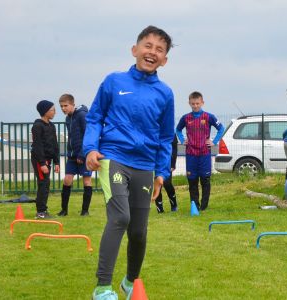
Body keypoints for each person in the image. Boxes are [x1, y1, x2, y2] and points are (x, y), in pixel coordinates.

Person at [84, 26, 175, 300]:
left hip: (145, 166)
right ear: (135, 50)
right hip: (114, 158)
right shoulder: (113, 82)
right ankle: (102, 287)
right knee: (121, 217)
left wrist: (161, 172)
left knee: (138, 230)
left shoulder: (165, 94)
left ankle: (129, 282)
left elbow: (166, 136)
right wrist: (90, 148)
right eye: (148, 46)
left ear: (164, 60)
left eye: (159, 50)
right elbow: (94, 117)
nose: (152, 52)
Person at [175, 91, 224, 212]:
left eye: (197, 103)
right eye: (193, 104)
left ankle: (204, 206)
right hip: (191, 154)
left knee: (205, 180)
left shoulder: (209, 117)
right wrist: (182, 140)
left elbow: (221, 128)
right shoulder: (186, 118)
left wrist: (214, 141)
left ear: (202, 103)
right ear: (189, 103)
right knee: (192, 181)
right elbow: (178, 129)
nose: (195, 106)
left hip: (204, 154)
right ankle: (194, 205)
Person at [57, 93, 93, 216]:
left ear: (73, 104)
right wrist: (70, 152)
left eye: (65, 105)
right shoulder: (67, 119)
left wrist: (82, 154)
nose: (63, 108)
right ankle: (64, 210)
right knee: (67, 180)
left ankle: (85, 211)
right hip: (72, 156)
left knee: (87, 181)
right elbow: (72, 138)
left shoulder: (82, 115)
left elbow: (87, 135)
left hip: (83, 155)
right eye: (61, 106)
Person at [31, 100, 60, 219]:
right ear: (45, 111)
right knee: (43, 184)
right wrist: (42, 163)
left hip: (49, 159)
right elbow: (37, 146)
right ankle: (41, 212)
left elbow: (54, 144)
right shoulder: (37, 126)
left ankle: (43, 210)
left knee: (46, 184)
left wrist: (57, 161)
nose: (55, 112)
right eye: (53, 110)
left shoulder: (52, 126)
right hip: (40, 160)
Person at [154, 136, 179, 213]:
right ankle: (160, 209)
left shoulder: (169, 129)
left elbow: (174, 148)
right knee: (157, 185)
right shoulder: (152, 128)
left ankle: (174, 205)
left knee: (167, 183)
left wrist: (173, 164)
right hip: (155, 161)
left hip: (167, 162)